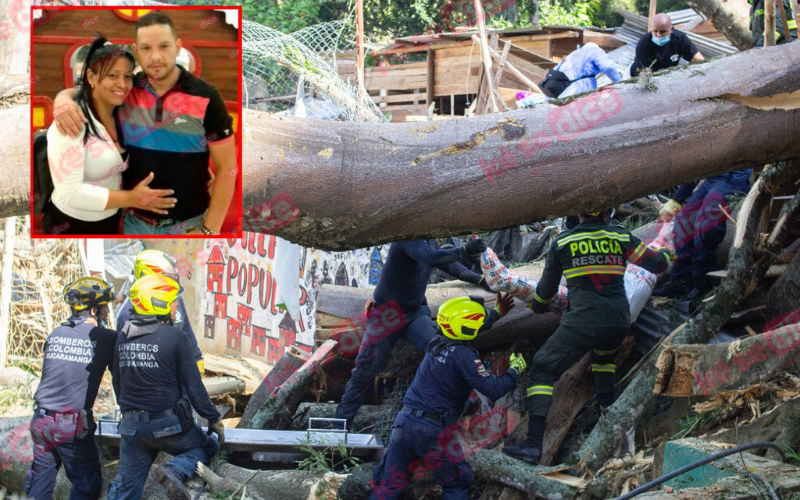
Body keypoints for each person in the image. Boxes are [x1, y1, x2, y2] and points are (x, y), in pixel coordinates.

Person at [502, 210, 674, 465]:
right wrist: (669, 252)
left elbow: (545, 293)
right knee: (603, 361)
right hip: (618, 323)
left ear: (577, 213)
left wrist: (536, 305)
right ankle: (611, 424)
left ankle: (533, 444)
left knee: (542, 368)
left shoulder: (563, 242)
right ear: (607, 212)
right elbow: (658, 264)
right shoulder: (620, 235)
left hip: (582, 324)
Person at [53, 12, 237, 236]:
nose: (155, 56)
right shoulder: (129, 89)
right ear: (136, 50)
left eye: (164, 46)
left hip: (190, 224)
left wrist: (209, 230)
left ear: (177, 47)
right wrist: (62, 99)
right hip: (134, 222)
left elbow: (228, 167)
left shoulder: (207, 96)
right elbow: (95, 92)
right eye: (146, 48)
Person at [370, 295, 524, 500]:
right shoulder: (465, 356)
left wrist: (496, 313)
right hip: (432, 431)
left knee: (389, 486)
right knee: (456, 485)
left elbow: (465, 329)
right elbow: (493, 389)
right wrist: (514, 370)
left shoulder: (436, 340)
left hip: (403, 424)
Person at [335, 238, 491, 431]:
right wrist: (466, 249)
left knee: (443, 351)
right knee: (365, 369)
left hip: (415, 313)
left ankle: (455, 404)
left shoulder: (430, 240)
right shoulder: (408, 237)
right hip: (387, 314)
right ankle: (339, 426)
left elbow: (448, 264)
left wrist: (480, 280)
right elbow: (430, 258)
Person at [43, 36, 176, 235]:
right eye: (112, 75)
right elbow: (70, 193)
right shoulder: (72, 121)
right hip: (71, 225)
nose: (122, 84)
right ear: (91, 77)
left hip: (110, 220)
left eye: (128, 76)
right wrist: (132, 198)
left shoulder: (125, 114)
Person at [108, 274, 224, 500]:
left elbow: (117, 382)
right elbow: (195, 388)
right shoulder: (176, 337)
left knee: (125, 491)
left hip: (132, 429)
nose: (176, 306)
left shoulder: (123, 336)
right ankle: (175, 470)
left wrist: (130, 413)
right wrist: (213, 418)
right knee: (209, 446)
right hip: (169, 427)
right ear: (158, 304)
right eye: (172, 301)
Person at [25, 277, 118, 500]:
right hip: (70, 426)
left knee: (40, 482)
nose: (106, 314)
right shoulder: (106, 338)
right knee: (87, 486)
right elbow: (121, 380)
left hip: (40, 420)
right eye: (104, 309)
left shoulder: (56, 333)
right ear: (94, 310)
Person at [653, 169, 752, 302]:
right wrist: (676, 200)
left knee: (706, 226)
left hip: (734, 179)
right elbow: (699, 164)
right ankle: (679, 281)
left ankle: (704, 285)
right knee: (684, 220)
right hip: (713, 176)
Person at [115, 249, 204, 376]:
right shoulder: (128, 314)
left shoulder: (174, 298)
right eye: (165, 277)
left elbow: (185, 327)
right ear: (146, 276)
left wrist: (197, 357)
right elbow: (123, 368)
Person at [539, 42, 622, 99]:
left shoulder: (572, 55)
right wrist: (620, 84)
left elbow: (552, 79)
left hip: (557, 94)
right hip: (576, 91)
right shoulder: (595, 50)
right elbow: (608, 67)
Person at [630, 13, 704, 77]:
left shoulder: (680, 39)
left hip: (669, 73)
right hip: (639, 77)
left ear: (671, 29)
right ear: (651, 28)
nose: (658, 35)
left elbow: (700, 61)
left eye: (662, 32)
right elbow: (645, 76)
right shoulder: (643, 45)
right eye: (655, 31)